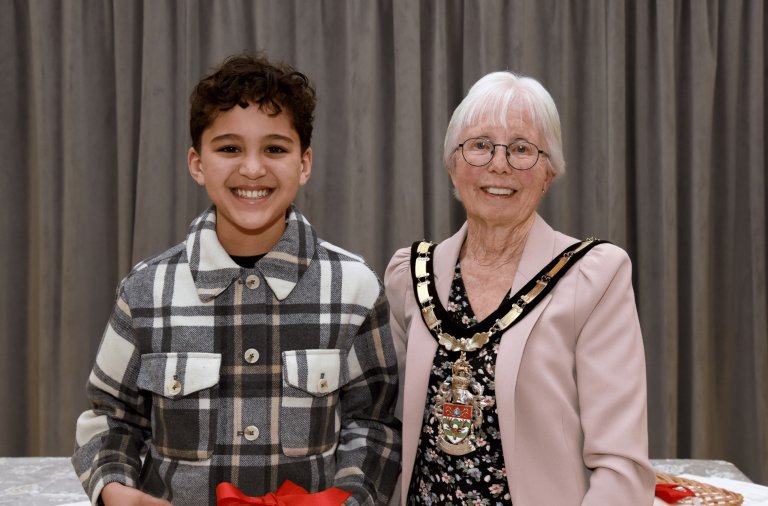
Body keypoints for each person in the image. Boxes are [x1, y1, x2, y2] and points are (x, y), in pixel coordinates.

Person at [72, 52, 401, 506]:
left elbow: (374, 423)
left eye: (275, 149)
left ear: (304, 163)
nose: (252, 169)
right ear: (197, 163)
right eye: (229, 149)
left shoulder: (356, 288)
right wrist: (119, 493)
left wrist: (350, 498)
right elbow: (112, 418)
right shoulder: (145, 291)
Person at [385, 72, 655, 506]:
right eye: (480, 145)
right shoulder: (410, 275)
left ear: (549, 173)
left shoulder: (593, 276)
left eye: (522, 149)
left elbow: (620, 466)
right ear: (453, 166)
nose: (499, 165)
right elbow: (387, 428)